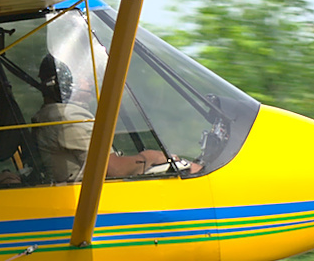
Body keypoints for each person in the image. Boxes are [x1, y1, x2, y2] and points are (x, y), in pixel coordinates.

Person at [31, 55, 196, 183]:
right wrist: (152, 157)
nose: (90, 82)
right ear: (65, 82)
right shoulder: (66, 116)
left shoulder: (49, 114)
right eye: (82, 76)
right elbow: (114, 169)